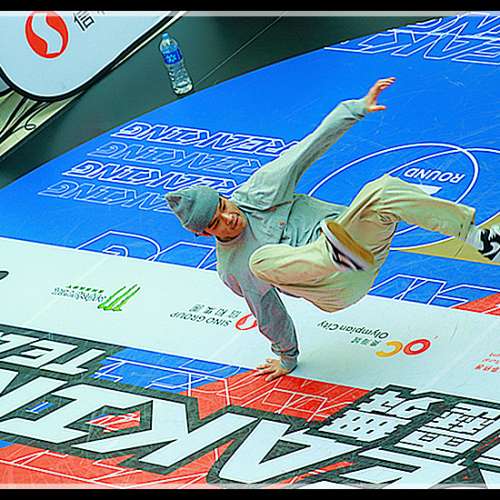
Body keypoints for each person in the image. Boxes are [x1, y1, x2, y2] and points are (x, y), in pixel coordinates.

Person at [166, 77, 500, 381]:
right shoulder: (232, 268)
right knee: (259, 261)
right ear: (204, 234)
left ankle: (480, 239)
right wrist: (287, 357)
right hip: (334, 286)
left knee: (382, 190)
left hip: (359, 245)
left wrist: (355, 109)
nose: (228, 218)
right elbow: (268, 312)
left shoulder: (258, 191)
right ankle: (331, 255)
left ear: (224, 197)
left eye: (224, 206)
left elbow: (308, 148)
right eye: (216, 223)